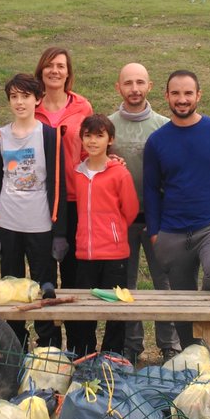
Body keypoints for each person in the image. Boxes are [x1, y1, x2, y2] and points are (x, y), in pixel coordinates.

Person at [143, 70, 210, 351]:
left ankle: (207, 335)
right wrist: (155, 233)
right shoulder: (157, 141)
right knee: (182, 303)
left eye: (188, 93)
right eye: (175, 93)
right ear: (166, 96)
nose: (182, 99)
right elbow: (150, 190)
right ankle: (193, 355)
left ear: (198, 95)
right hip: (173, 231)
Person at [0, 73, 68, 349]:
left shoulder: (49, 136)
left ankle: (48, 347)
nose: (19, 102)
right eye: (14, 97)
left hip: (41, 225)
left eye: (25, 96)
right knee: (11, 289)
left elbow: (58, 184)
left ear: (37, 99)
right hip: (9, 225)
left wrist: (59, 233)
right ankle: (14, 345)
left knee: (45, 288)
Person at [108, 62, 180, 364]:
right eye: (128, 83)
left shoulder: (164, 126)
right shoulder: (108, 126)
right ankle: (131, 344)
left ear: (150, 86)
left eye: (140, 82)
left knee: (164, 283)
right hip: (120, 220)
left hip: (158, 221)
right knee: (126, 285)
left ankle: (170, 344)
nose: (134, 89)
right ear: (118, 87)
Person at [70, 114, 139, 357]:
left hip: (114, 253)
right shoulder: (77, 173)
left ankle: (112, 356)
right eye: (88, 135)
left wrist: (113, 230)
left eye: (99, 136)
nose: (92, 141)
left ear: (110, 140)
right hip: (85, 253)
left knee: (115, 311)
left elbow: (130, 210)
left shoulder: (119, 174)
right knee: (85, 310)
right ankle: (85, 355)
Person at [32, 47, 94, 294]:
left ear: (68, 73)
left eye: (60, 66)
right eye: (49, 65)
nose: (54, 71)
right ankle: (47, 320)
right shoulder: (31, 105)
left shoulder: (82, 107)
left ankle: (75, 320)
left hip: (73, 198)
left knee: (74, 273)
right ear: (41, 70)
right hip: (39, 199)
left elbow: (89, 150)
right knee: (43, 273)